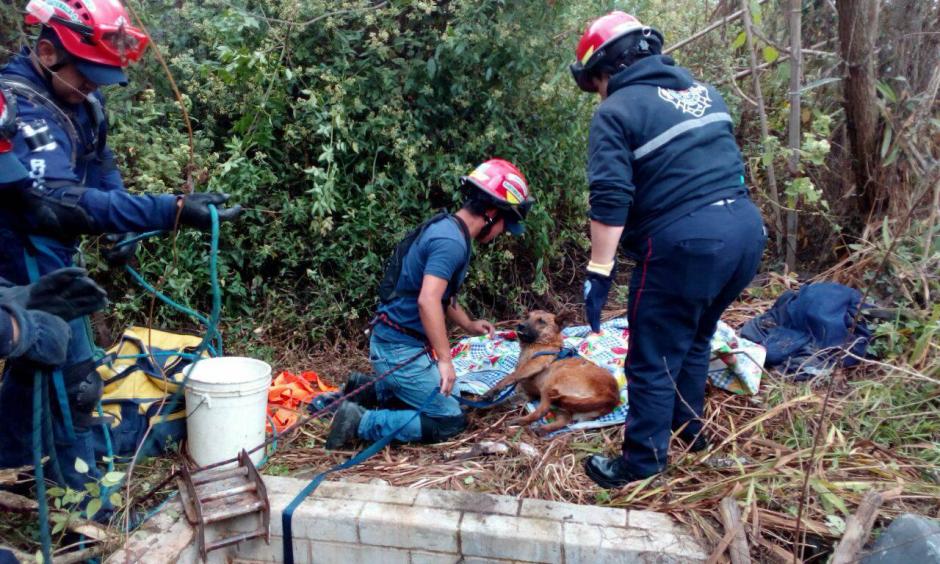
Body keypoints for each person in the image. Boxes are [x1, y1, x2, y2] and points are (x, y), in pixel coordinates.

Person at [0, 0, 241, 493]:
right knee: (76, 378)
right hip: (20, 255)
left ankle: (11, 458)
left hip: (52, 251)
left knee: (38, 365)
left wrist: (121, 225)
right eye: (86, 74)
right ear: (48, 53)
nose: (92, 86)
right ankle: (80, 496)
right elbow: (48, 206)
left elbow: (99, 163)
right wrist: (169, 210)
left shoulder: (78, 99)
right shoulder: (17, 107)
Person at [570, 12, 766, 487]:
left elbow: (611, 198)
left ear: (605, 69)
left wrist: (599, 269)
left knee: (652, 355)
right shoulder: (708, 96)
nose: (598, 92)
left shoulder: (617, 112)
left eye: (595, 82)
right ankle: (688, 429)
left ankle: (642, 465)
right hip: (746, 233)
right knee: (695, 336)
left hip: (688, 244)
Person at [326, 158, 534, 449]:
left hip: (396, 342)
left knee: (453, 391)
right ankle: (359, 422)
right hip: (399, 349)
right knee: (449, 419)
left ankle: (367, 389)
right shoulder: (451, 242)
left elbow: (440, 296)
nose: (502, 233)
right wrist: (445, 360)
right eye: (504, 224)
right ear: (490, 213)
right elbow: (427, 301)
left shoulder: (450, 230)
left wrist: (469, 324)